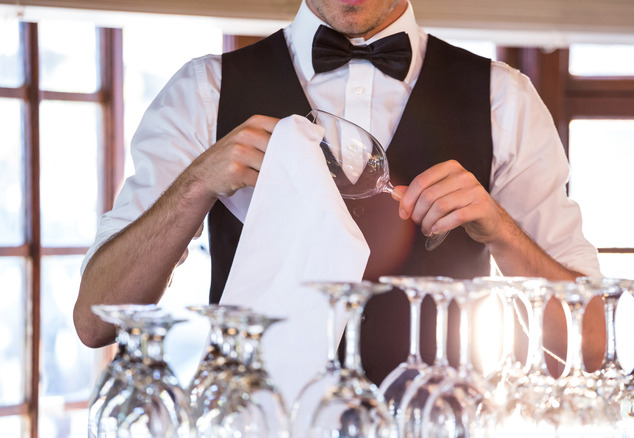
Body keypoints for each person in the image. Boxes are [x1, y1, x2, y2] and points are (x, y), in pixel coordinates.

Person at [74, 0, 602, 385]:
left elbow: (592, 344)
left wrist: (501, 230)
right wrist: (196, 185)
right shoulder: (201, 93)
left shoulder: (504, 100)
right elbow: (96, 321)